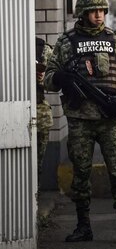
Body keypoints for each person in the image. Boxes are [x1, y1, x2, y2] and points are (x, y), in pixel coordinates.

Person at [44, 0, 116, 244]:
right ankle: (83, 226)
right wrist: (59, 78)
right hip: (79, 120)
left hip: (109, 120)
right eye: (93, 11)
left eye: (102, 11)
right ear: (83, 14)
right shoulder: (66, 43)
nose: (99, 15)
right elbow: (48, 78)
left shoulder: (115, 41)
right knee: (80, 174)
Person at [36, 37, 54, 177]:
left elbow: (55, 79)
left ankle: (35, 193)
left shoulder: (42, 48)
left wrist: (42, 79)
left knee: (37, 162)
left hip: (39, 112)